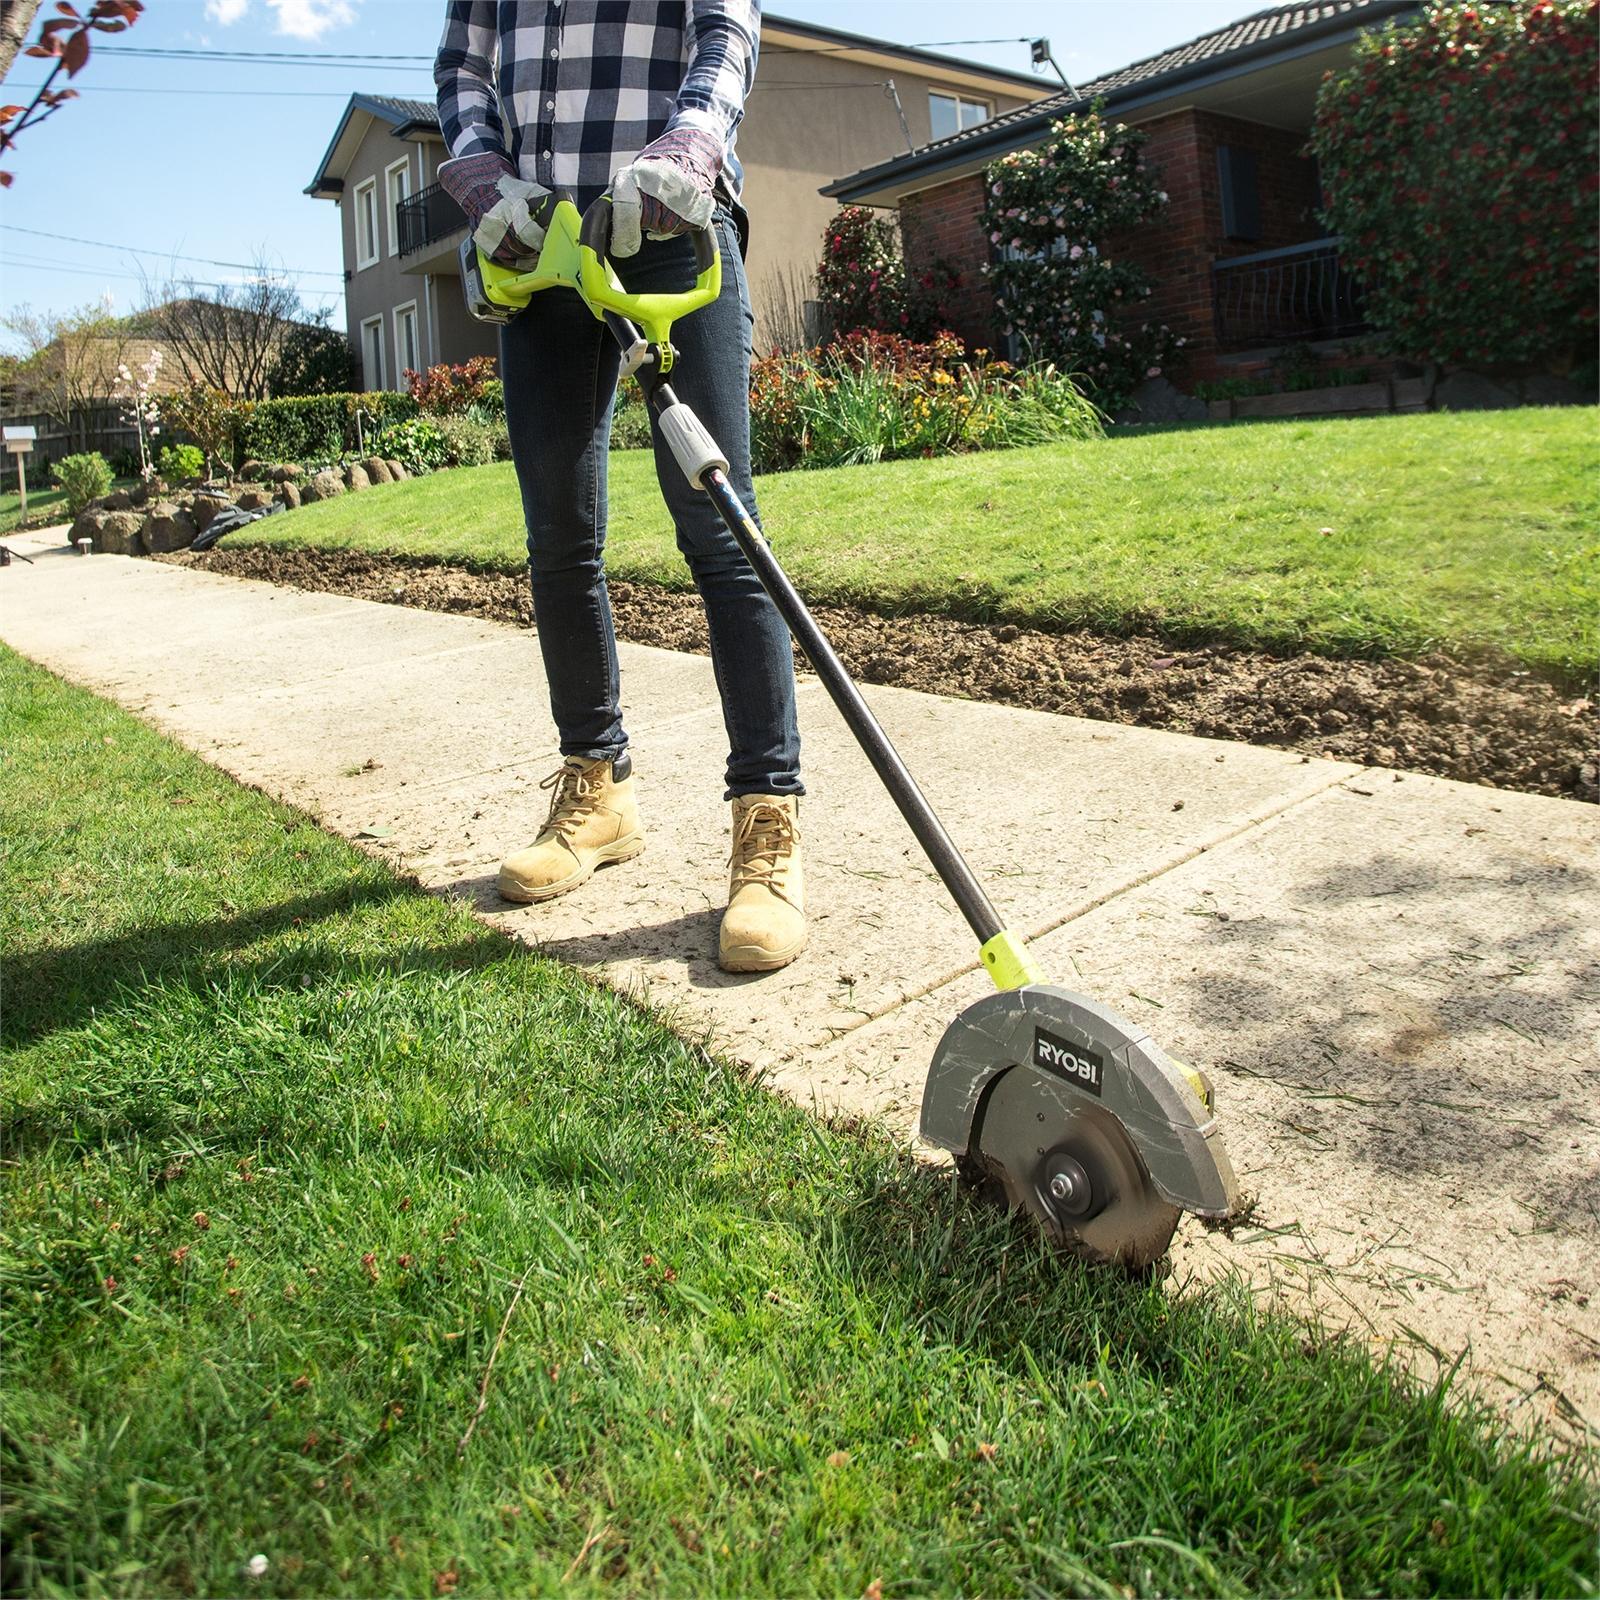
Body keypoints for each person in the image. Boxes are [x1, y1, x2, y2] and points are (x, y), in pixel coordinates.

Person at [434, 1, 805, 974]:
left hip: (669, 217)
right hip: (535, 238)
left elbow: (724, 31)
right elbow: (466, 71)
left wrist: (688, 143)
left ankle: (766, 823)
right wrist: (481, 175)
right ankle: (597, 792)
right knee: (559, 536)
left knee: (719, 529)